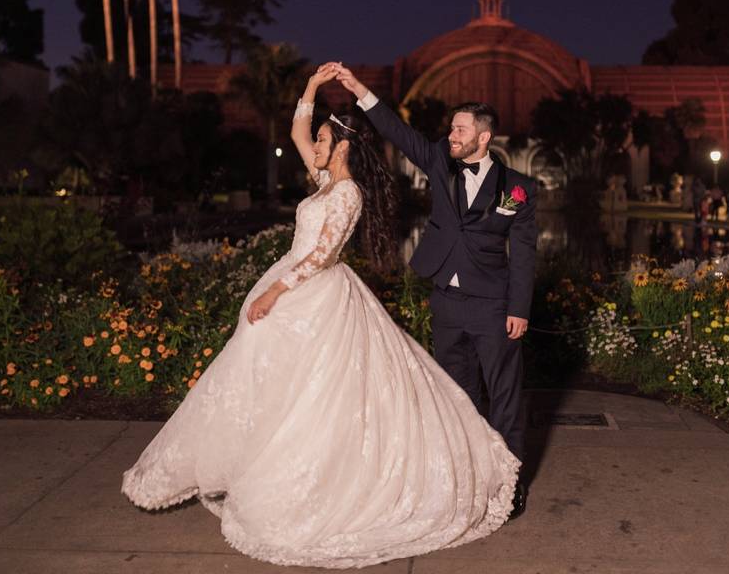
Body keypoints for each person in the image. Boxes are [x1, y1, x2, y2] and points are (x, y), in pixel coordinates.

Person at [121, 65, 519, 569]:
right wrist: (311, 88)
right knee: (265, 379)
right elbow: (295, 132)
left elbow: (321, 256)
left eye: (324, 140)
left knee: (316, 394)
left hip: (311, 291)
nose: (314, 147)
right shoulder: (323, 179)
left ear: (344, 147)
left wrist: (275, 293)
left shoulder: (347, 192)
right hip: (292, 286)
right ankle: (243, 460)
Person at [329, 62, 537, 521]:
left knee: (503, 396)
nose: (451, 135)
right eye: (451, 128)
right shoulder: (440, 161)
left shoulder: (518, 190)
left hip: (493, 305)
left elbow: (522, 255)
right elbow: (397, 131)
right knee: (457, 395)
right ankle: (467, 476)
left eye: (460, 129)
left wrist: (518, 309)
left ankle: (511, 482)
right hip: (445, 301)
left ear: (484, 137)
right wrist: (360, 89)